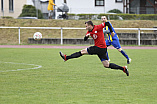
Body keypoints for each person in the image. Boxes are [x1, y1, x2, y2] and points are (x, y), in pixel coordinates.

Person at [59, 21, 129, 76]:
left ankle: (66, 57)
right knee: (106, 65)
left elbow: (107, 23)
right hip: (102, 49)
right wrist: (86, 36)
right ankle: (123, 68)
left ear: (90, 25)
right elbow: (85, 39)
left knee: (82, 52)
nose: (85, 28)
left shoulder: (98, 27)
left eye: (86, 26)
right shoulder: (89, 31)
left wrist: (112, 32)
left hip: (99, 48)